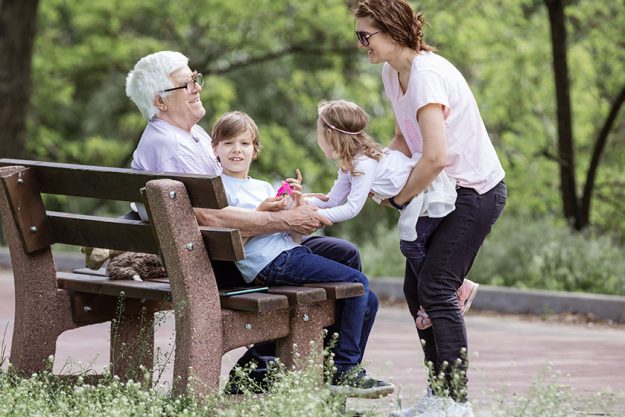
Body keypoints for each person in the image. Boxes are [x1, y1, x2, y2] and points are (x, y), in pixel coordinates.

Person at [124, 50, 380, 393]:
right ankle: (297, 368)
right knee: (353, 283)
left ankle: (320, 368)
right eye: (186, 84)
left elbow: (231, 198)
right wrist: (284, 218)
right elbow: (209, 217)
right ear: (161, 101)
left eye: (194, 78)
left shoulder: (192, 135)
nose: (196, 87)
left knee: (347, 258)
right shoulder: (170, 147)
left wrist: (284, 207)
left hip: (242, 245)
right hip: (221, 260)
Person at [353, 1, 507, 416]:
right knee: (415, 288)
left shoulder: (426, 76)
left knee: (436, 288)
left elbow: (435, 156)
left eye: (365, 35)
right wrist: (378, 170)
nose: (361, 44)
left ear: (391, 31)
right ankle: (439, 396)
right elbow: (407, 139)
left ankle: (457, 403)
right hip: (441, 195)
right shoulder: (393, 72)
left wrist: (400, 197)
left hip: (472, 194)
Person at [210, 110, 394, 397]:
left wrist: (296, 208)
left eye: (244, 144)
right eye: (228, 143)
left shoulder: (261, 186)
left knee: (366, 299)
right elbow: (230, 237)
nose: (237, 150)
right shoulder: (218, 189)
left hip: (287, 253)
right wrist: (261, 214)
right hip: (266, 264)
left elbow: (291, 235)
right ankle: (345, 370)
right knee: (357, 285)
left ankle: (333, 372)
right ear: (215, 149)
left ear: (255, 150)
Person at [309, 99, 479, 330]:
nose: (317, 137)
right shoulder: (349, 162)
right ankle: (448, 289)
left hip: (428, 194)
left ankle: (446, 291)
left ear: (329, 134)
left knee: (411, 244)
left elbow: (351, 208)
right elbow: (333, 199)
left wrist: (318, 216)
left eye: (318, 131)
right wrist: (300, 200)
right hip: (413, 200)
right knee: (416, 245)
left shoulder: (363, 164)